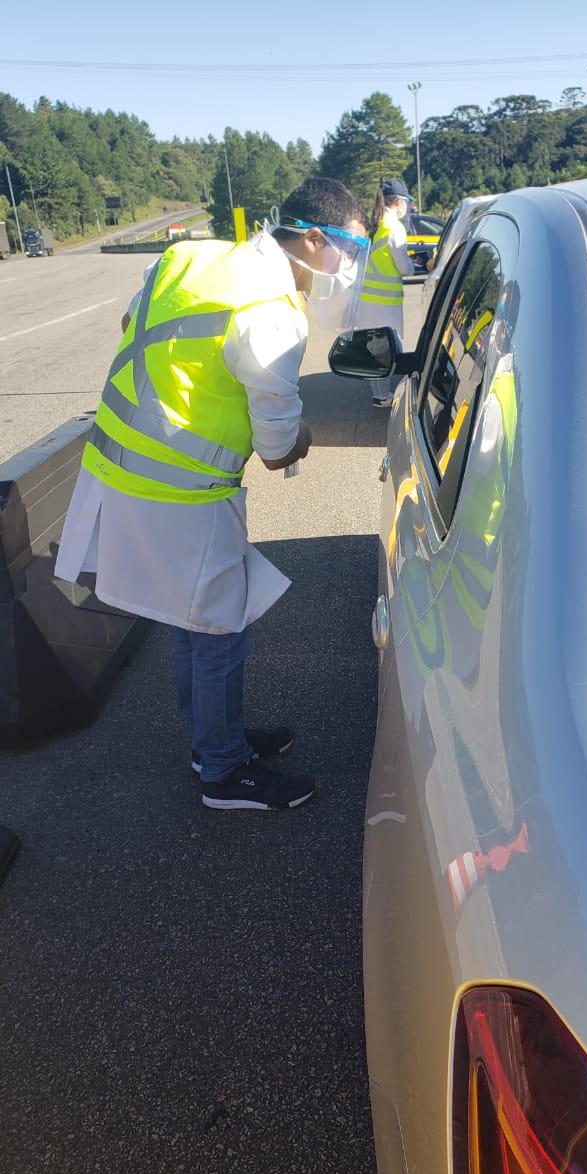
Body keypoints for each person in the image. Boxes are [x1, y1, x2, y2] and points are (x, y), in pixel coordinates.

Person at [54, 177, 369, 812]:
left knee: (190, 616)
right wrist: (302, 434)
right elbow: (279, 447)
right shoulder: (273, 312)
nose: (351, 267)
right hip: (181, 490)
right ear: (315, 238)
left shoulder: (189, 256)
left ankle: (211, 740)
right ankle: (223, 772)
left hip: (123, 467)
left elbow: (129, 322)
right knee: (221, 626)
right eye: (351, 249)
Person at [354, 177, 415, 408]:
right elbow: (403, 267)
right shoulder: (394, 228)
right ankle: (382, 397)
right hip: (385, 303)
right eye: (406, 202)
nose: (407, 207)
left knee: (374, 348)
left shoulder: (374, 224)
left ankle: (379, 394)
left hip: (367, 300)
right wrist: (414, 265)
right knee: (388, 348)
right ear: (399, 201)